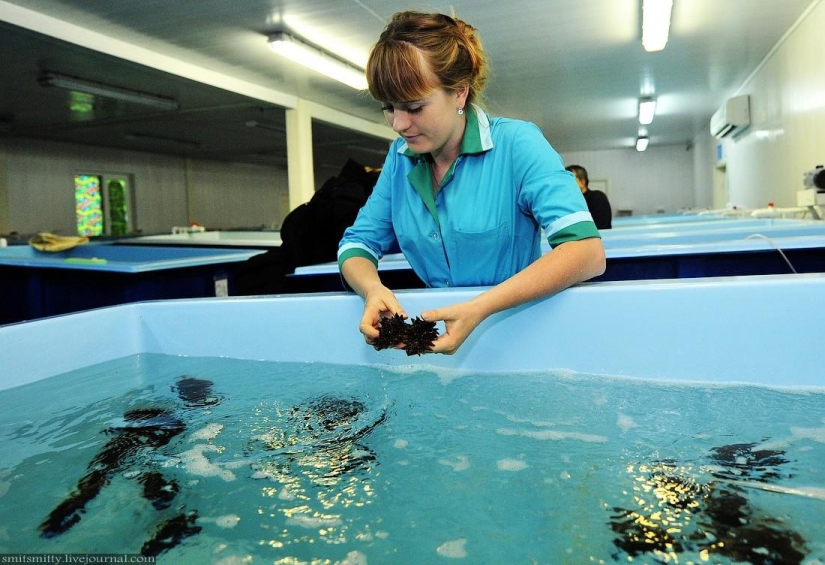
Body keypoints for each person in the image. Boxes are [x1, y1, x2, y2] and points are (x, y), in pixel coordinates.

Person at [337, 11, 606, 355]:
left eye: (414, 107)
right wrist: (372, 289)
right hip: (441, 339)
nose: (398, 124)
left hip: (520, 336)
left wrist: (481, 308)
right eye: (388, 107)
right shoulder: (399, 158)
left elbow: (586, 251)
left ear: (460, 93)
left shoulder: (517, 144)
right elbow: (357, 244)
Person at [565, 165, 612, 229]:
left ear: (582, 182)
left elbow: (600, 225)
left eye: (569, 180)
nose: (566, 184)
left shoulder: (597, 197)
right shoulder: (567, 202)